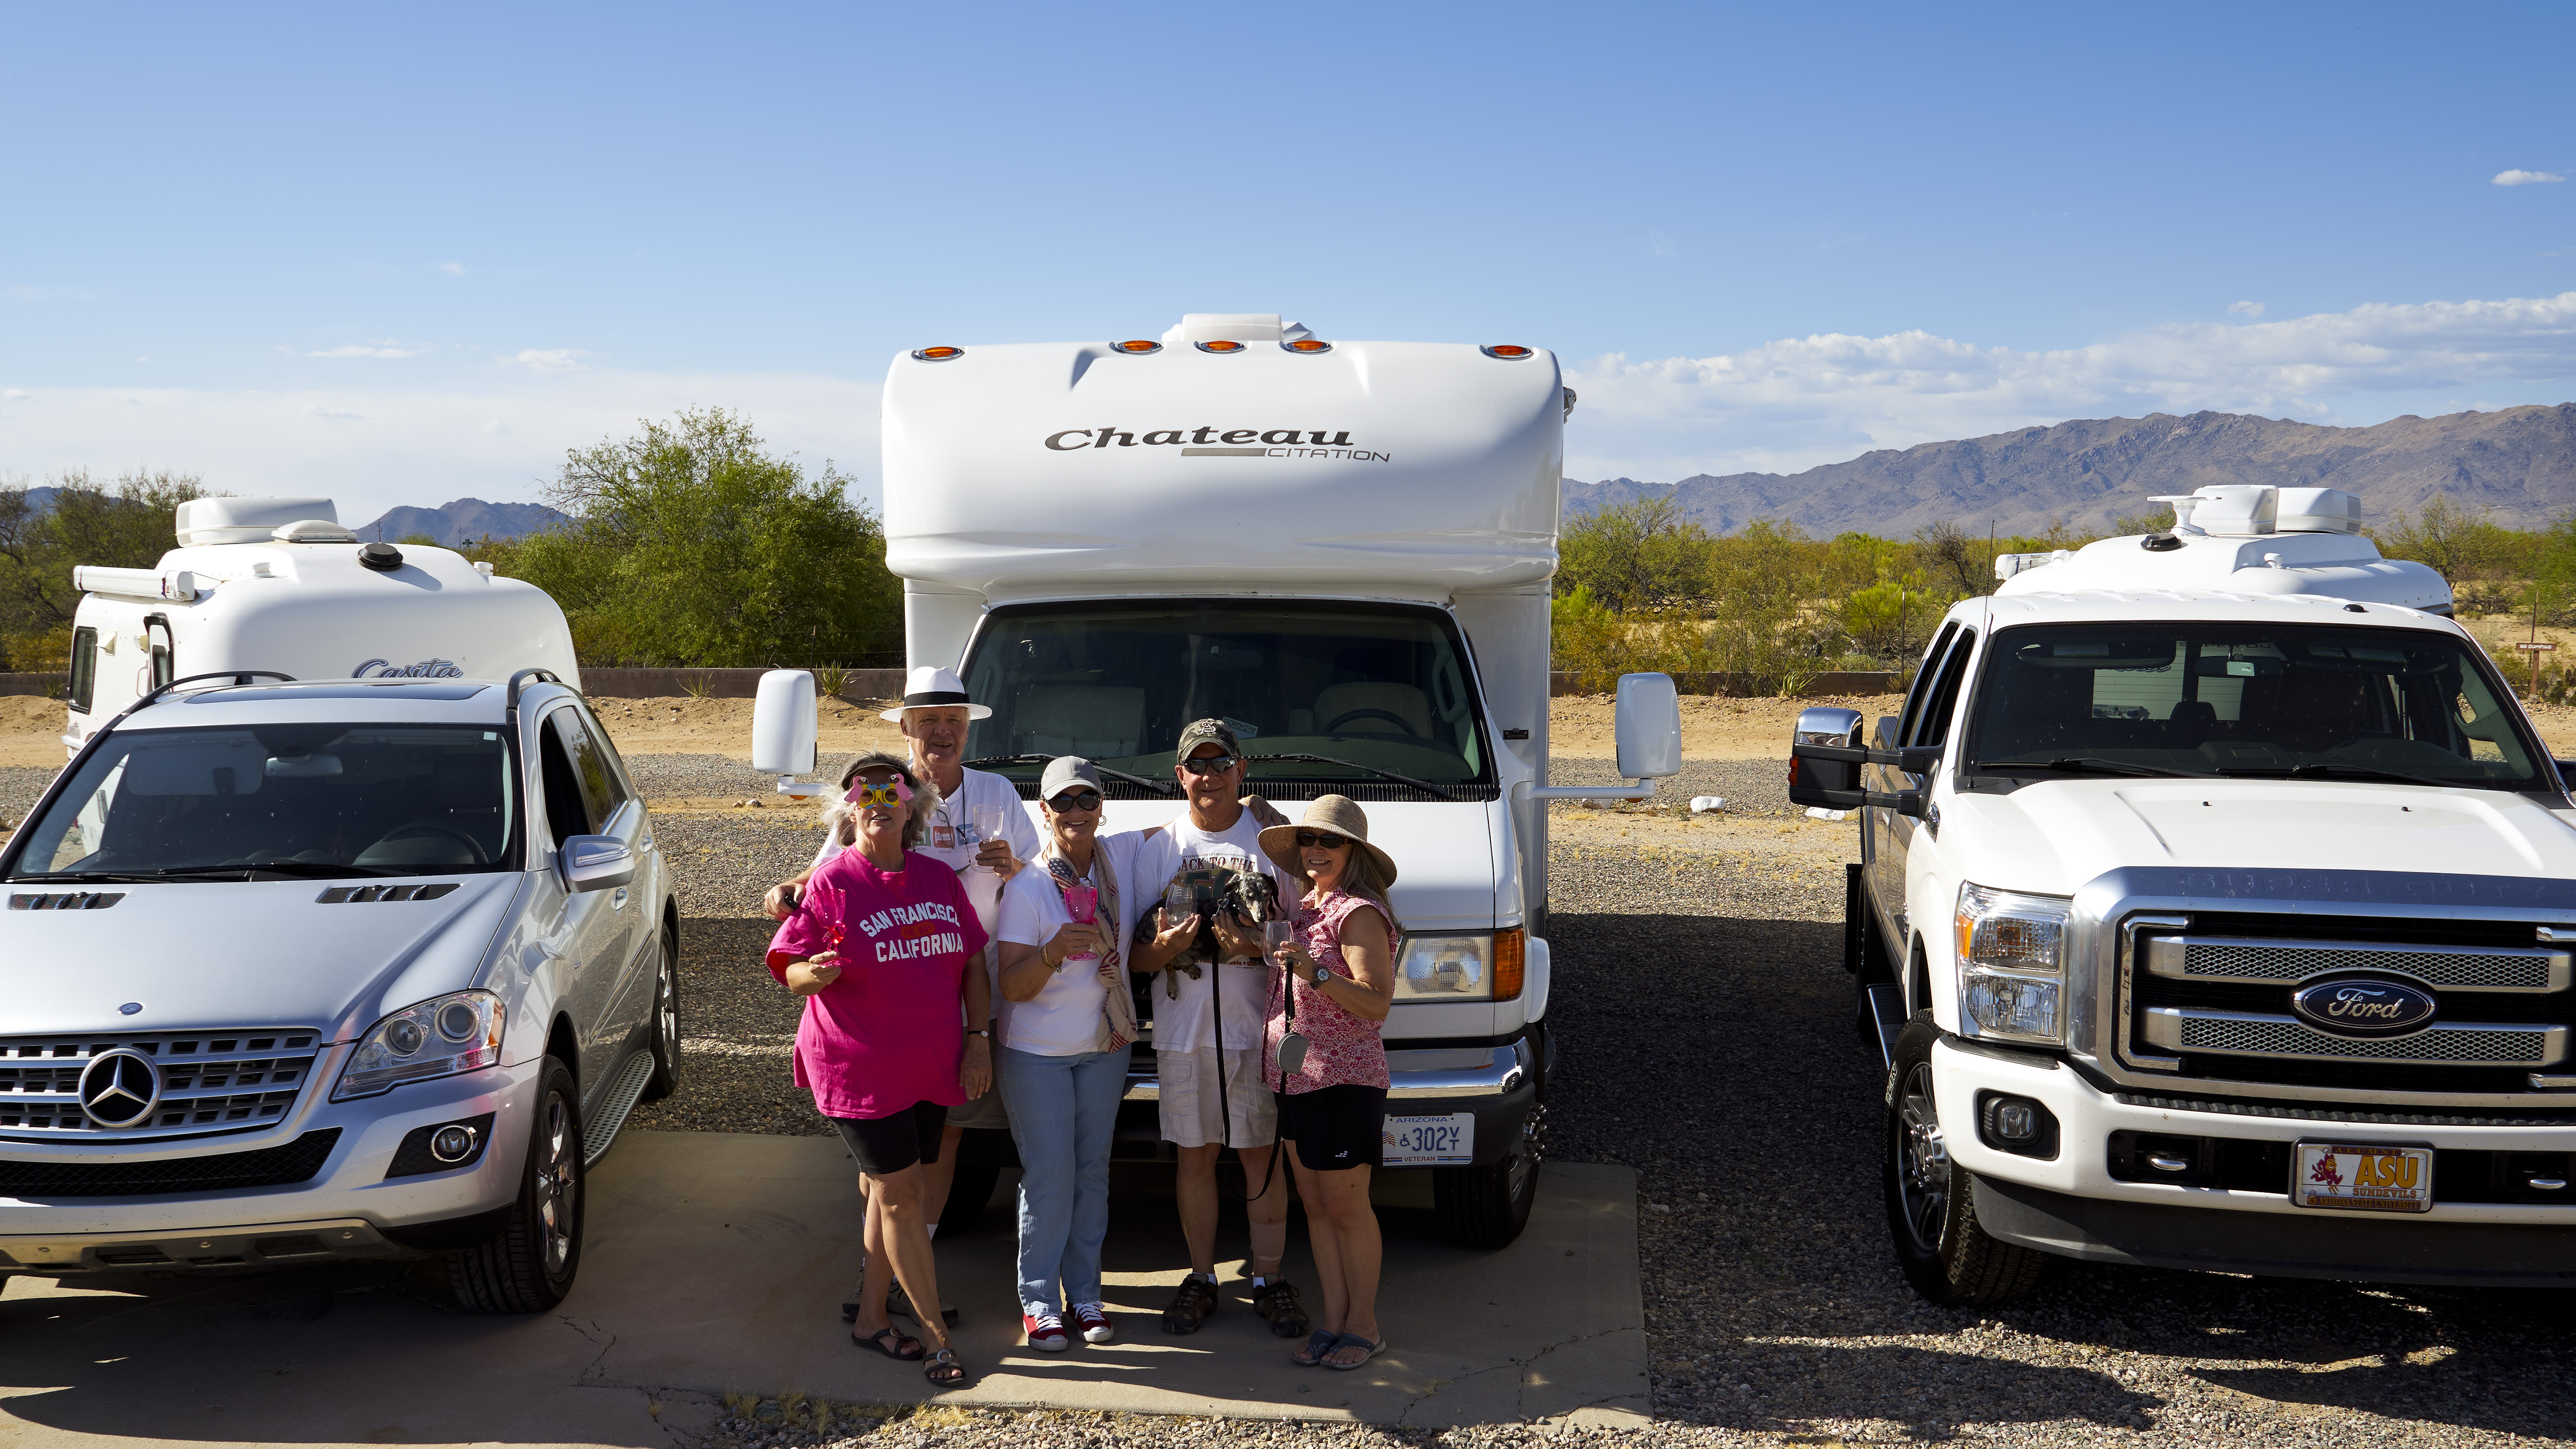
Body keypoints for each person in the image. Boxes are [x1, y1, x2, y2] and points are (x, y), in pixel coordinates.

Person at [765, 665, 1039, 1322]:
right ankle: (885, 1274)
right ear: (907, 730)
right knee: (893, 1166)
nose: (942, 732)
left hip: (971, 996)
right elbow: (833, 864)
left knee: (939, 1147)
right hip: (885, 1009)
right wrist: (788, 890)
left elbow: (1042, 870)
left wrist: (1017, 865)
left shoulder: (998, 791)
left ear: (967, 730)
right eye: (929, 722)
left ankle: (903, 1264)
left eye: (954, 721)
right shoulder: (882, 789)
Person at [766, 751, 990, 1387]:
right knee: (902, 1195)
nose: (878, 806)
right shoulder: (833, 881)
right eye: (865, 796)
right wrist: (818, 972)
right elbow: (790, 966)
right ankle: (937, 1339)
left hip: (929, 1064)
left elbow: (973, 962)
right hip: (858, 1070)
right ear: (850, 810)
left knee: (887, 1191)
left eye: (892, 794)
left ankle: (870, 1316)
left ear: (912, 808)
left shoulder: (937, 878)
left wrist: (978, 1040)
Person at [1125, 719, 1307, 1340]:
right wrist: (1162, 949)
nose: (1209, 776)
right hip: (1181, 1030)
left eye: (1220, 762)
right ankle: (1201, 1277)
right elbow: (1130, 954)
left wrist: (1254, 946)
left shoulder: (1273, 845)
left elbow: (1301, 935)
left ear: (1241, 768)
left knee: (1259, 1157)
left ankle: (1268, 1277)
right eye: (1196, 766)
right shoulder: (1158, 849)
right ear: (1180, 776)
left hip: (1256, 1029)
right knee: (1194, 1158)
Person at [993, 757, 1139, 1351]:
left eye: (1087, 800)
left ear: (1102, 807)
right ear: (1045, 812)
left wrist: (1259, 809)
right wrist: (1053, 953)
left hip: (1104, 1048)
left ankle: (1084, 1294)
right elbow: (1011, 987)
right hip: (1037, 1054)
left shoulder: (1120, 867)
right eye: (1064, 803)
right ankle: (1038, 1300)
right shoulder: (1028, 886)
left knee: (1091, 1175)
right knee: (1050, 1176)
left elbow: (1181, 833)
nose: (1076, 812)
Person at [1257, 795, 1401, 1370]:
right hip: (1296, 1079)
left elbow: (1375, 1004)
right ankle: (1334, 1321)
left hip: (1343, 1079)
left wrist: (1312, 971)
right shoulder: (1303, 913)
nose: (1316, 850)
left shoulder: (1357, 913)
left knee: (1346, 1207)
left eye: (1330, 842)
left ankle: (1364, 1327)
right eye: (1308, 841)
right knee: (1315, 1206)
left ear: (1353, 853)